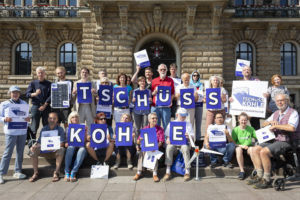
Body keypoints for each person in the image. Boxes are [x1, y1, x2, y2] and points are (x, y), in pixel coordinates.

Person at [249, 93, 299, 189]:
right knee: (255, 149)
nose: (280, 102)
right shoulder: (276, 113)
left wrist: (276, 125)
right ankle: (259, 175)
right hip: (275, 140)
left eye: (282, 100)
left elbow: (292, 128)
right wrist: (270, 122)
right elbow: (264, 124)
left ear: (287, 101)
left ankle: (267, 179)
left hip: (287, 141)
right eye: (277, 101)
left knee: (264, 152)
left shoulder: (293, 113)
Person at [0, 86, 30, 184]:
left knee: (20, 152)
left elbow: (27, 116)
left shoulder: (24, 103)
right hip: (11, 132)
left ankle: (17, 171)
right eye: (13, 92)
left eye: (17, 92)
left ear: (19, 94)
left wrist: (28, 119)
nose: (15, 94)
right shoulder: (5, 104)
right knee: (7, 153)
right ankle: (1, 173)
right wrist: (5, 119)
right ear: (10, 93)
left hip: (22, 131)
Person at [29, 112, 65, 182]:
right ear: (48, 119)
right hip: (45, 151)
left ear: (57, 120)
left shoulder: (60, 129)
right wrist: (34, 146)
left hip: (55, 151)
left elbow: (62, 143)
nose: (52, 120)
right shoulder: (44, 129)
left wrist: (54, 146)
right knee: (32, 150)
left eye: (54, 118)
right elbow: (39, 142)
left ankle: (56, 172)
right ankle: (35, 173)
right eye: (50, 118)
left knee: (61, 149)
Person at [163, 108, 194, 182]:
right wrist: (168, 139)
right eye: (182, 116)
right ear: (177, 115)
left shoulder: (188, 124)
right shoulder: (171, 123)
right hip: (174, 144)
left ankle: (187, 171)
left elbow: (192, 137)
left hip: (184, 143)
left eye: (185, 116)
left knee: (185, 148)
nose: (183, 117)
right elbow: (167, 136)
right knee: (169, 147)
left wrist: (189, 137)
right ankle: (168, 171)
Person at [133, 112, 165, 182]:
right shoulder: (144, 129)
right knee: (142, 151)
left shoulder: (160, 129)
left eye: (156, 118)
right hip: (146, 148)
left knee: (155, 152)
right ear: (149, 120)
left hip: (156, 148)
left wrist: (155, 147)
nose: (155, 119)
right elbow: (138, 141)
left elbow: (161, 142)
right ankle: (139, 172)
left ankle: (155, 174)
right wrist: (140, 140)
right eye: (153, 118)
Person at [26, 66, 51, 139]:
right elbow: (27, 94)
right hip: (35, 106)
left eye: (42, 73)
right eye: (39, 73)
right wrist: (35, 94)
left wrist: (45, 105)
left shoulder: (49, 83)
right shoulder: (33, 83)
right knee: (34, 126)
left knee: (47, 125)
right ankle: (32, 143)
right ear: (37, 74)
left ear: (44, 74)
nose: (40, 74)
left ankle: (46, 142)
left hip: (46, 107)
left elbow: (51, 96)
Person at [231, 112, 257, 180]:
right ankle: (242, 171)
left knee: (252, 149)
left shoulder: (251, 129)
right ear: (238, 120)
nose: (243, 121)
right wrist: (241, 145)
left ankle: (256, 169)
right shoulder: (235, 129)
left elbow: (257, 137)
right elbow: (233, 142)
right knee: (238, 149)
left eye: (245, 120)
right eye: (242, 120)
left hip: (248, 147)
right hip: (239, 146)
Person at [64, 111, 87, 182]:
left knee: (82, 149)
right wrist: (66, 144)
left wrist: (86, 134)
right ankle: (67, 172)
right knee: (70, 148)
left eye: (76, 117)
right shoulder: (68, 128)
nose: (75, 119)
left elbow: (86, 140)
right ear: (70, 119)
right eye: (73, 117)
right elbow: (65, 141)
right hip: (72, 147)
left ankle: (73, 172)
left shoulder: (83, 126)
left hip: (81, 146)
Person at [151, 64, 175, 129]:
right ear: (158, 71)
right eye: (161, 69)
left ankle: (165, 139)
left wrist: (171, 101)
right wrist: (154, 92)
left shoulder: (170, 80)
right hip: (156, 106)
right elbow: (151, 94)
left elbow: (173, 93)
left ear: (166, 70)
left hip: (166, 106)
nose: (162, 71)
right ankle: (157, 139)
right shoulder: (154, 81)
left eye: (164, 69)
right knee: (155, 125)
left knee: (166, 125)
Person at [72, 67, 97, 131]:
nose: (84, 74)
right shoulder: (76, 83)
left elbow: (96, 95)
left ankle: (89, 136)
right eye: (83, 72)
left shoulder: (92, 83)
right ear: (80, 74)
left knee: (90, 122)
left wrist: (94, 92)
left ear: (88, 74)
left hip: (89, 105)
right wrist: (74, 93)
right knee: (80, 122)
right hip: (80, 105)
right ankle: (81, 137)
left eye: (86, 72)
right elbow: (73, 96)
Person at [190, 71, 204, 143]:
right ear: (192, 76)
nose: (195, 77)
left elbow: (203, 94)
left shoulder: (201, 85)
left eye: (197, 75)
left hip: (199, 105)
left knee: (198, 123)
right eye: (194, 75)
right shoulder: (189, 84)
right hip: (191, 105)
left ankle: (198, 140)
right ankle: (191, 140)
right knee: (190, 123)